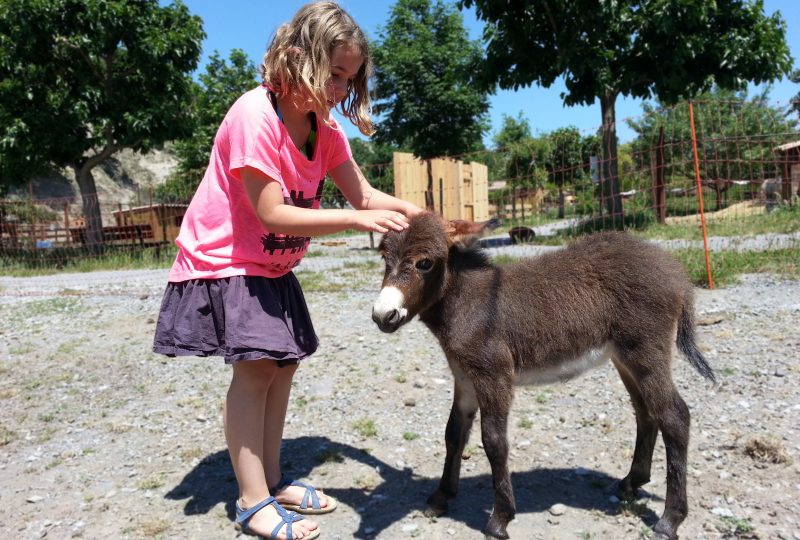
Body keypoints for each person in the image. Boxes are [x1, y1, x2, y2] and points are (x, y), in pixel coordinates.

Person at [153, 2, 421, 538]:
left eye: (350, 79)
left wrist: (424, 217)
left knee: (282, 366)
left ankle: (272, 481)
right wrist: (355, 219)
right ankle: (252, 501)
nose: (341, 89)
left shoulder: (326, 132)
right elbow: (271, 212)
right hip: (228, 259)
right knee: (254, 371)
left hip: (273, 264)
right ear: (297, 58)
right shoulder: (254, 114)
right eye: (334, 74)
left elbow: (363, 193)